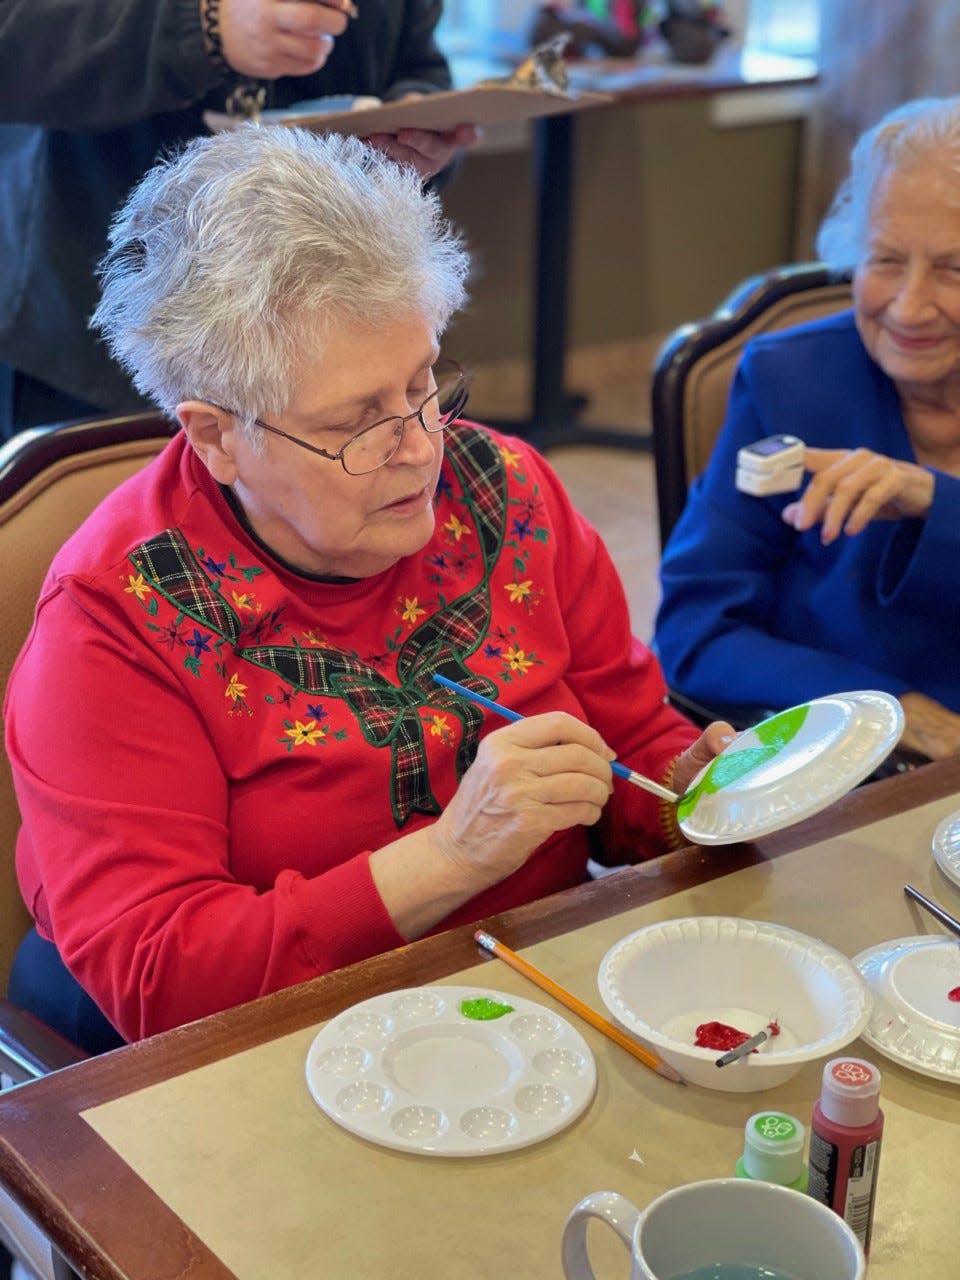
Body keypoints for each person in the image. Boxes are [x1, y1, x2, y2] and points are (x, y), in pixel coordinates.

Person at [3, 125, 731, 1049]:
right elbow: (163, 979)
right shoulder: (118, 620)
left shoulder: (505, 491)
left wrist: (686, 791)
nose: (424, 448)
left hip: (522, 998)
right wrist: (449, 857)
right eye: (357, 424)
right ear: (218, 437)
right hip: (265, 1055)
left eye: (425, 383)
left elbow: (627, 735)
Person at [0, 0, 476, 440]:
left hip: (337, 341)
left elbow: (416, 61)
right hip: (98, 320)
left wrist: (415, 120)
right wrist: (204, 27)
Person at [654, 96, 960, 764]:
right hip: (852, 777)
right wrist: (886, 708)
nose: (908, 307)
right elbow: (696, 632)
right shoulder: (790, 382)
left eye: (953, 268)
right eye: (883, 260)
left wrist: (935, 503)